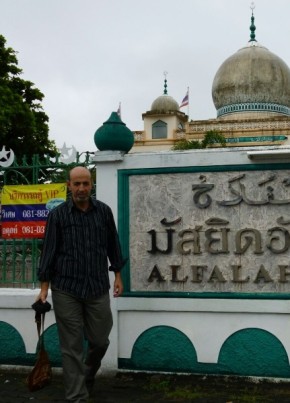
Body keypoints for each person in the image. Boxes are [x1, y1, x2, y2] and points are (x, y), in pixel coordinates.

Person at [37, 166, 125, 403]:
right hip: (66, 288)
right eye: (76, 184)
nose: (81, 188)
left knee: (99, 339)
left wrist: (117, 274)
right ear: (69, 186)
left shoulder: (104, 212)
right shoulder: (58, 216)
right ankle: (77, 396)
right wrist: (44, 289)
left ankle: (86, 373)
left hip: (97, 286)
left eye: (85, 183)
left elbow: (112, 245)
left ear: (91, 184)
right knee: (71, 345)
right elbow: (48, 252)